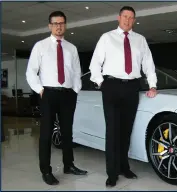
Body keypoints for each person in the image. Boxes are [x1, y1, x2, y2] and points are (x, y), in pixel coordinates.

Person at [89, 6, 158, 187]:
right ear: (118, 18)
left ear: (134, 20)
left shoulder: (140, 40)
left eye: (131, 18)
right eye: (125, 16)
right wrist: (100, 83)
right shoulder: (107, 37)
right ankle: (112, 173)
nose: (128, 20)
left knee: (126, 131)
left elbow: (148, 64)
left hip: (132, 87)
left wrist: (152, 85)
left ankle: (123, 167)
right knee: (112, 132)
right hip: (111, 86)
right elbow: (95, 63)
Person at [26, 11, 87, 186]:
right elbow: (31, 72)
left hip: (68, 94)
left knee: (67, 132)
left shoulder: (71, 48)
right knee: (46, 134)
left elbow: (76, 72)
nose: (59, 26)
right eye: (55, 23)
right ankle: (46, 170)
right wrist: (40, 89)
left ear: (65, 25)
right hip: (48, 94)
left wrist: (75, 89)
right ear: (50, 26)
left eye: (61, 23)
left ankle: (69, 165)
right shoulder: (40, 46)